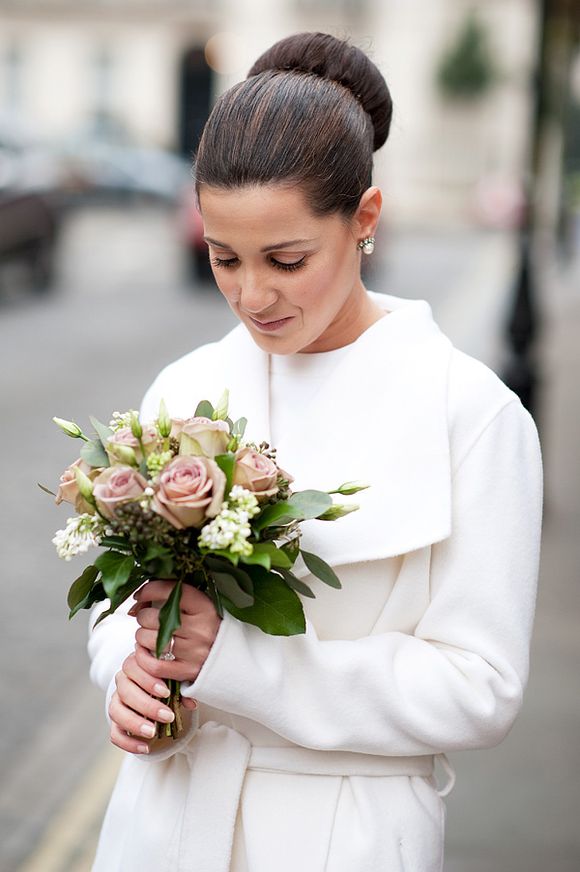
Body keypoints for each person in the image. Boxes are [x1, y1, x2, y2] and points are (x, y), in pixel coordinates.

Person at [87, 31, 543, 872]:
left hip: (346, 834)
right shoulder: (184, 386)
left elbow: (480, 688)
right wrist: (129, 675)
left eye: (286, 260)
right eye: (224, 258)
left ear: (365, 219)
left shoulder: (471, 415)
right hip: (160, 823)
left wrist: (244, 667)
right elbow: (126, 611)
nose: (251, 295)